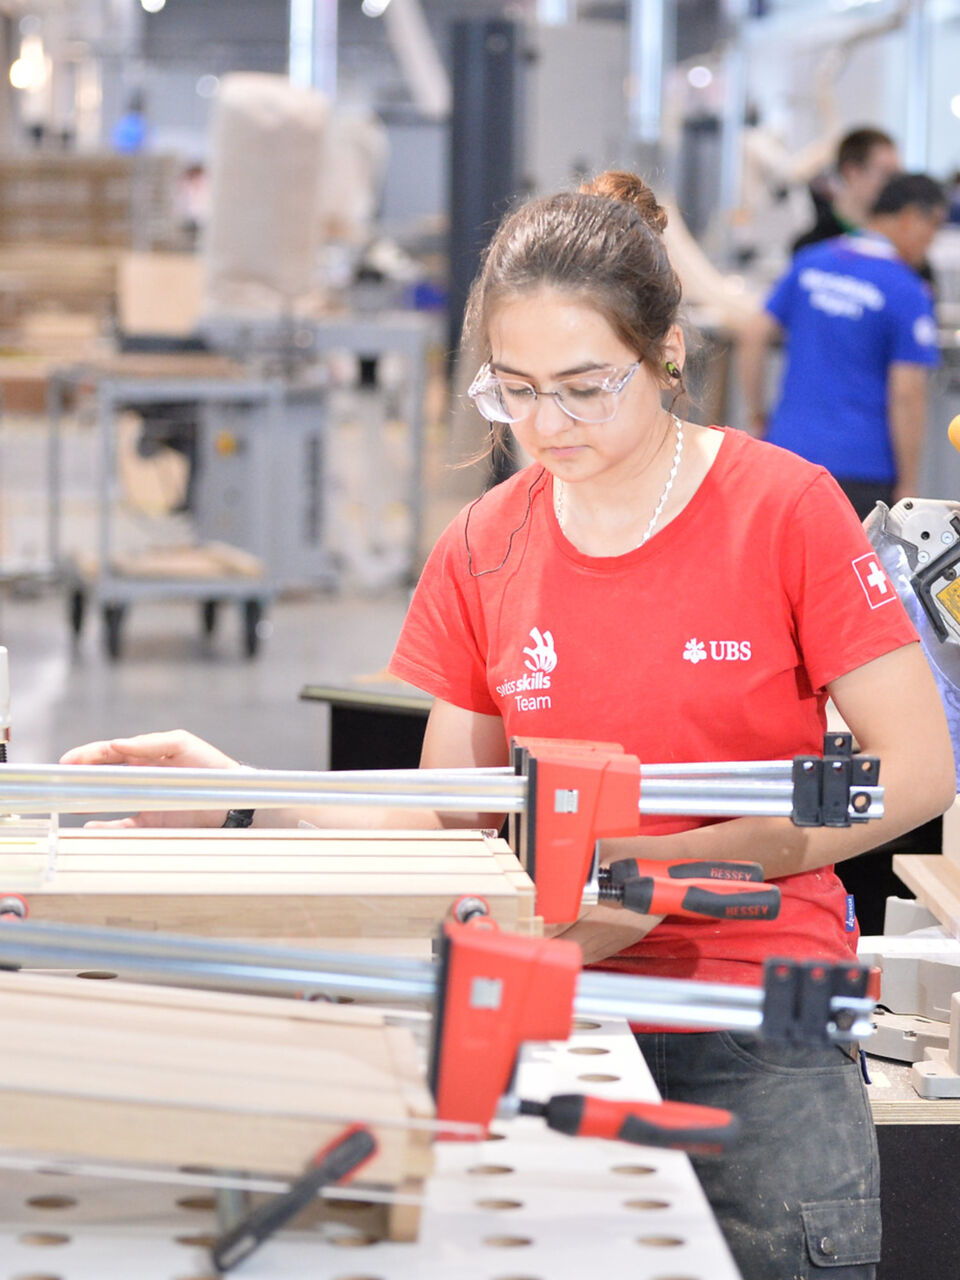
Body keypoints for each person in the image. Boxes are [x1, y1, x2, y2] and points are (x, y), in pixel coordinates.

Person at [61, 171, 956, 1280]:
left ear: (668, 351)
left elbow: (916, 768)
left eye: (586, 387)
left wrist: (674, 863)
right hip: (559, 1000)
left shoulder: (785, 509)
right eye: (515, 390)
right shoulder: (486, 540)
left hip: (754, 1014)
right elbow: (454, 821)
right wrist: (236, 799)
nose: (545, 425)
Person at [739, 172, 947, 520]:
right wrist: (909, 484)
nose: (932, 242)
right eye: (933, 227)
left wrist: (758, 414)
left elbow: (753, 335)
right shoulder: (906, 290)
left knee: (780, 571)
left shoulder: (811, 262)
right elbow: (908, 393)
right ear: (910, 218)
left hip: (786, 455)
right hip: (862, 472)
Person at [792, 127, 900, 254]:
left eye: (897, 176)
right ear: (852, 172)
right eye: (886, 174)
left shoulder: (898, 248)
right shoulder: (812, 247)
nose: (894, 184)